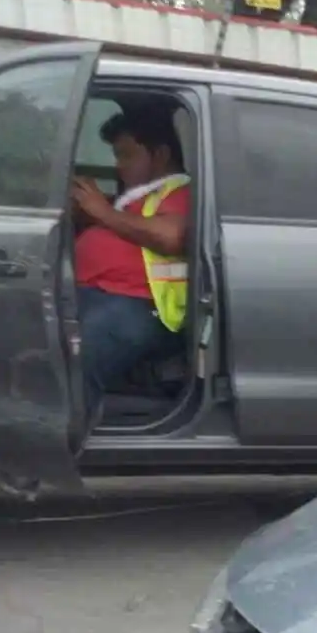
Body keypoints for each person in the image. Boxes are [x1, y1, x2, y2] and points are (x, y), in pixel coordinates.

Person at [68, 103, 192, 416]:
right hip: (97, 296)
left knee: (75, 360)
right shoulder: (139, 196)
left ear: (160, 155)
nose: (119, 166)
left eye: (127, 155)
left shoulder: (180, 190)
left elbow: (170, 236)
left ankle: (55, 450)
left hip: (141, 306)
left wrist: (103, 212)